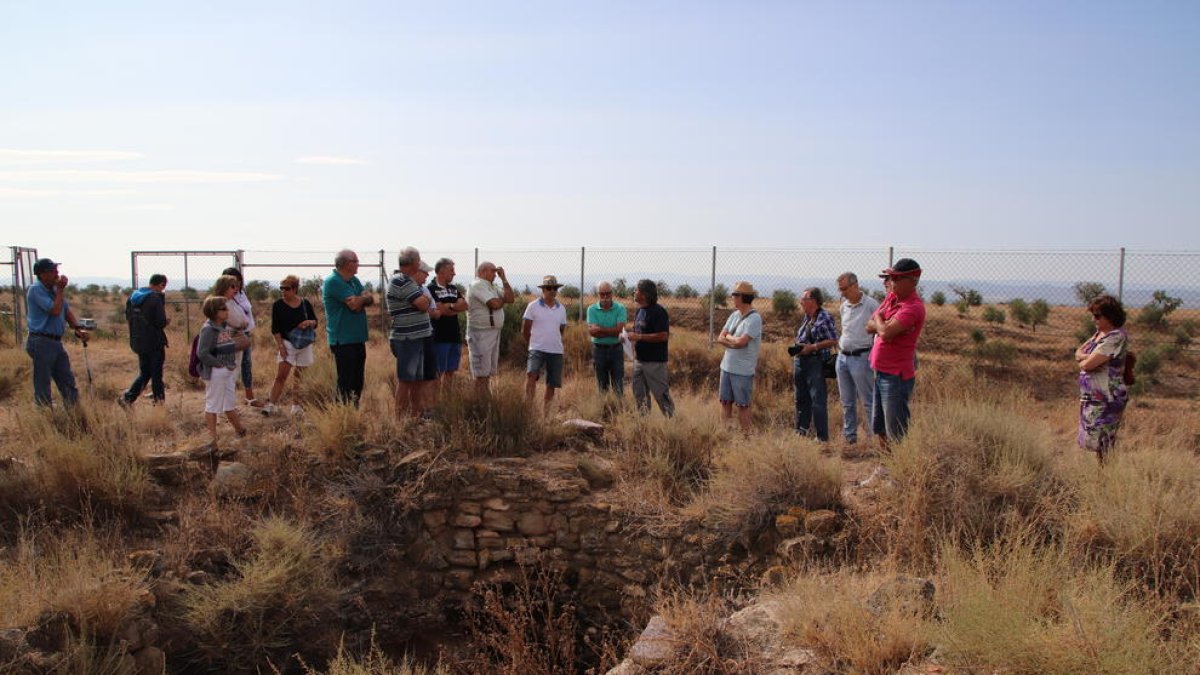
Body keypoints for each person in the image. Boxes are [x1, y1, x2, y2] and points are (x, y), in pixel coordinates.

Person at [866, 258, 926, 449]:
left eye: (895, 278)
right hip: (881, 372)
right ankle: (884, 469)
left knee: (896, 430)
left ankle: (898, 474)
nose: (890, 282)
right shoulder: (892, 299)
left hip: (896, 376)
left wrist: (877, 318)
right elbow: (868, 327)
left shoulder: (913, 307)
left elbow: (885, 332)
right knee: (881, 426)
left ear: (911, 281)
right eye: (890, 277)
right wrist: (879, 321)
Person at [24, 258, 88, 407]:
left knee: (67, 379)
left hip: (55, 342)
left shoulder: (54, 289)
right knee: (43, 382)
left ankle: (74, 412)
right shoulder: (36, 290)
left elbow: (65, 311)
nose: (56, 274)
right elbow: (55, 310)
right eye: (52, 271)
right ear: (42, 274)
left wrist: (78, 329)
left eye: (56, 270)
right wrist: (60, 290)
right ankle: (45, 416)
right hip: (41, 341)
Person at [1075, 294, 1131, 462]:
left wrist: (1084, 361)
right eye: (1093, 315)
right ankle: (1103, 477)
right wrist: (1086, 359)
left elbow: (1086, 364)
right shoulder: (1099, 334)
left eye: (1098, 315)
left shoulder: (1115, 337)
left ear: (1110, 316)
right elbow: (1078, 352)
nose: (1094, 319)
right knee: (1095, 441)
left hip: (1107, 397)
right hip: (1093, 397)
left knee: (1103, 442)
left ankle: (1107, 478)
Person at [322, 249, 376, 405]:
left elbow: (368, 299)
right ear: (345, 263)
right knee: (346, 383)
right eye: (355, 261)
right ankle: (341, 416)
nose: (358, 264)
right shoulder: (334, 281)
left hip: (357, 338)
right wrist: (362, 299)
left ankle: (353, 413)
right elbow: (354, 306)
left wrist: (362, 300)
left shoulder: (353, 280)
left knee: (357, 382)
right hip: (343, 340)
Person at [197, 296, 251, 446]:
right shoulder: (209, 329)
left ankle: (240, 431)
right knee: (213, 404)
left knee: (229, 403)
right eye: (223, 309)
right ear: (214, 311)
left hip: (227, 370)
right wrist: (218, 364)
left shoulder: (222, 326)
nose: (227, 311)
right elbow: (202, 353)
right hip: (216, 372)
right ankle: (212, 438)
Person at [386, 247, 432, 419]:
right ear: (413, 262)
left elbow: (423, 302)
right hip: (407, 339)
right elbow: (423, 304)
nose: (420, 263)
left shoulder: (408, 281)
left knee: (417, 381)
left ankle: (415, 416)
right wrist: (425, 299)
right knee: (406, 380)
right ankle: (399, 420)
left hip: (416, 338)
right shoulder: (401, 281)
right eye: (418, 260)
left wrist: (423, 299)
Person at [835, 272, 879, 445]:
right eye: (840, 289)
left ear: (855, 285)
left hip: (861, 357)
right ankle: (850, 437)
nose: (842, 293)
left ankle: (875, 438)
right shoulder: (843, 306)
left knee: (868, 401)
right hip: (842, 358)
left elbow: (878, 329)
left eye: (844, 289)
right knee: (847, 401)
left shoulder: (871, 305)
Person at [264, 275, 318, 416]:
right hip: (287, 343)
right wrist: (281, 346)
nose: (283, 291)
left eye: (286, 288)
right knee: (281, 376)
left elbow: (315, 322)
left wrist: (309, 323)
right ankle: (271, 404)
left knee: (299, 376)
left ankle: (296, 406)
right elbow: (275, 328)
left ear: (295, 289)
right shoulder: (278, 305)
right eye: (281, 288)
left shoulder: (305, 304)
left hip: (304, 343)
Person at [790, 288, 839, 442]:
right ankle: (801, 431)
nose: (801, 301)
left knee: (817, 400)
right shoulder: (807, 317)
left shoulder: (824, 317)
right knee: (801, 399)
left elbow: (833, 339)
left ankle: (822, 437)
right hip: (801, 361)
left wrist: (812, 347)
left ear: (813, 301)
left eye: (804, 298)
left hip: (815, 362)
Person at [716, 281, 763, 434]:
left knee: (743, 405)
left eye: (735, 295)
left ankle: (746, 437)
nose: (732, 297)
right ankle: (726, 434)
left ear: (744, 297)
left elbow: (742, 342)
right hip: (726, 367)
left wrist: (728, 338)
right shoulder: (734, 315)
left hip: (742, 370)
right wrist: (732, 339)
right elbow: (720, 337)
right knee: (725, 402)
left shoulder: (754, 319)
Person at [118, 274, 170, 406]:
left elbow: (128, 318)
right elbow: (160, 322)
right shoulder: (154, 298)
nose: (162, 290)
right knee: (156, 374)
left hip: (138, 340)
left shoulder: (133, 297)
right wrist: (166, 322)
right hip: (154, 341)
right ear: (161, 284)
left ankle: (128, 398)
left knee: (145, 372)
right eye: (163, 287)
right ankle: (159, 404)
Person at [466, 261, 514, 393]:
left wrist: (503, 279)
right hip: (481, 334)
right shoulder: (477, 285)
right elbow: (495, 304)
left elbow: (510, 299)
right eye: (492, 271)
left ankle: (484, 400)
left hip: (492, 332)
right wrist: (500, 301)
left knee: (486, 372)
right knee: (481, 373)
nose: (495, 273)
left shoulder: (491, 287)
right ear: (483, 272)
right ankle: (479, 402)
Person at [628, 278, 674, 417]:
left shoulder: (658, 312)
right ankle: (644, 423)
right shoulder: (639, 311)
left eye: (636, 290)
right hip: (640, 361)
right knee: (639, 393)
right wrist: (627, 337)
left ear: (644, 294)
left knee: (661, 394)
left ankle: (671, 422)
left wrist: (640, 337)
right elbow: (638, 333)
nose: (634, 292)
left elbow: (663, 335)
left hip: (655, 362)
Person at [522, 275, 569, 407]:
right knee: (531, 375)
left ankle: (546, 414)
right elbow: (525, 329)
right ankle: (528, 410)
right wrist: (532, 344)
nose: (552, 291)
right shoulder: (533, 306)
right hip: (537, 348)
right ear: (543, 290)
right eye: (549, 288)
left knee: (552, 383)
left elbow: (561, 329)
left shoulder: (561, 309)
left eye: (555, 288)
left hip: (555, 349)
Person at [221, 267, 264, 408]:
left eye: (238, 281)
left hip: (245, 333)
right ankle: (227, 401)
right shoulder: (224, 300)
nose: (236, 285)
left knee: (246, 364)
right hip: (233, 335)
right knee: (232, 366)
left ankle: (249, 397)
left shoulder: (241, 294)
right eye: (233, 282)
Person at [429, 258, 468, 385]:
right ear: (441, 271)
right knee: (438, 373)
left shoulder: (453, 288)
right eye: (451, 270)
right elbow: (441, 310)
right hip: (439, 337)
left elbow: (464, 305)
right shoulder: (431, 288)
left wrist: (449, 307)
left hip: (454, 336)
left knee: (451, 372)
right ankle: (435, 402)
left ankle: (447, 402)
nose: (454, 273)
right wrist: (454, 307)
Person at [586, 281, 627, 396]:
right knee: (601, 385)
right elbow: (593, 333)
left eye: (607, 294)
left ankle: (619, 411)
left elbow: (620, 330)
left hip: (616, 349)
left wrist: (600, 330)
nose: (605, 297)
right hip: (599, 350)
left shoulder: (620, 308)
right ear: (598, 294)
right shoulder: (592, 309)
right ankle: (604, 410)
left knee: (618, 385)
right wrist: (612, 331)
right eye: (602, 294)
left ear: (612, 293)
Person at [413, 261, 440, 416]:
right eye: (425, 272)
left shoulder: (424, 290)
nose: (427, 275)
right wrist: (427, 307)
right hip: (414, 338)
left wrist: (427, 307)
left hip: (428, 334)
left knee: (429, 374)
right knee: (414, 376)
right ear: (416, 272)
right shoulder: (408, 289)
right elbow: (428, 309)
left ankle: (427, 409)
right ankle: (416, 411)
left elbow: (435, 312)